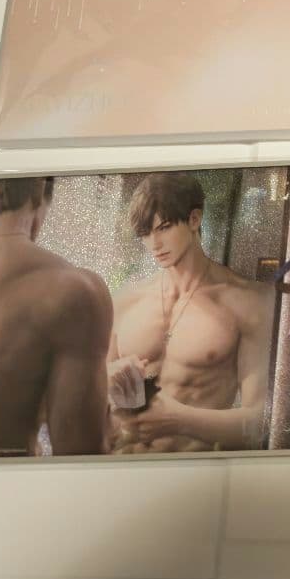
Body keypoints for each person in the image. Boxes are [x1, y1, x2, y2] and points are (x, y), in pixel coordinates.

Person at [0, 177, 113, 457]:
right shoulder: (73, 288)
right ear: (40, 196)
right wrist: (111, 427)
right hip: (5, 483)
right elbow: (80, 452)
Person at [107, 173, 273, 454]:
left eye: (164, 228)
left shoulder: (248, 302)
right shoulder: (125, 300)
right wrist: (106, 382)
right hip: (121, 464)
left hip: (191, 469)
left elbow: (260, 424)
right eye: (145, 233)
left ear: (194, 219)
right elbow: (93, 407)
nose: (154, 244)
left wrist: (180, 420)